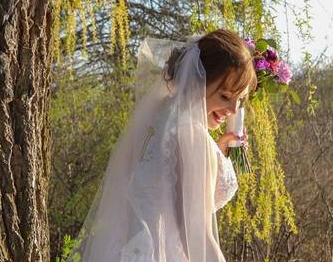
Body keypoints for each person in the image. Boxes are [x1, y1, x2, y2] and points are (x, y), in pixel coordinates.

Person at [73, 30, 256, 261]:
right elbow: (197, 235)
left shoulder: (158, 114)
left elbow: (164, 188)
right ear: (199, 82)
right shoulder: (192, 138)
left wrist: (217, 151)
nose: (232, 110)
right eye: (225, 96)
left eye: (239, 100)